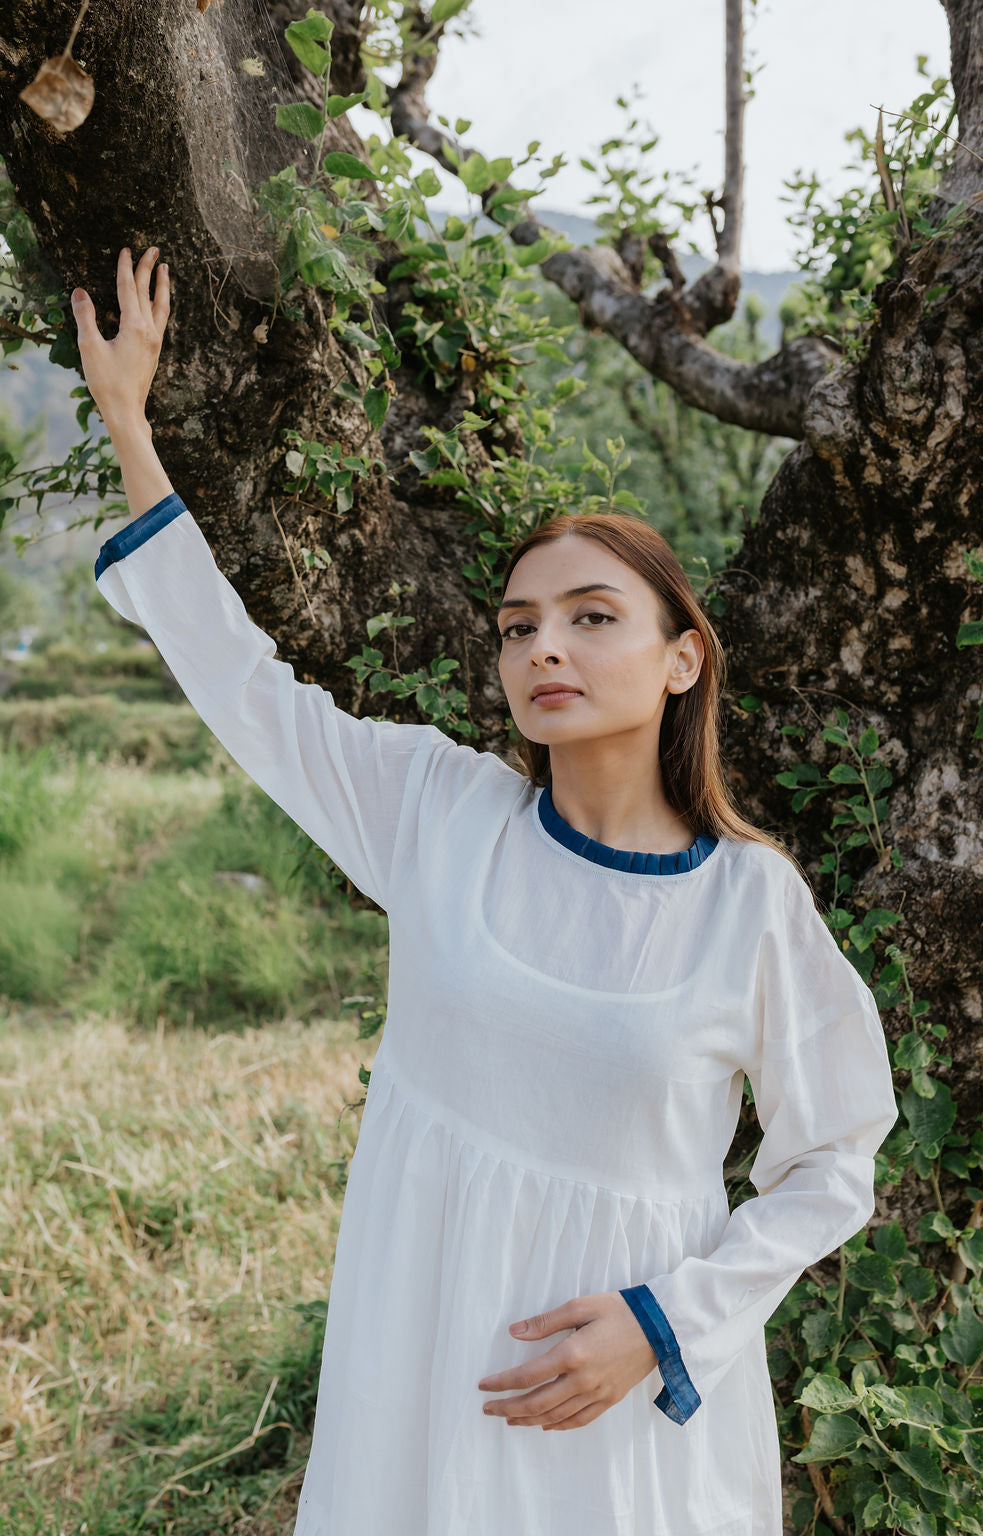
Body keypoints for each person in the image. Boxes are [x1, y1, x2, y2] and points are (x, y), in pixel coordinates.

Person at [73, 247, 900, 1536]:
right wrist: (129, 424)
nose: (544, 645)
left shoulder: (750, 906)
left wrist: (662, 1326)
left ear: (684, 658)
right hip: (422, 1364)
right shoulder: (440, 815)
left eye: (589, 616)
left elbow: (832, 1158)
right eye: (518, 625)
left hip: (622, 1414)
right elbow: (244, 684)